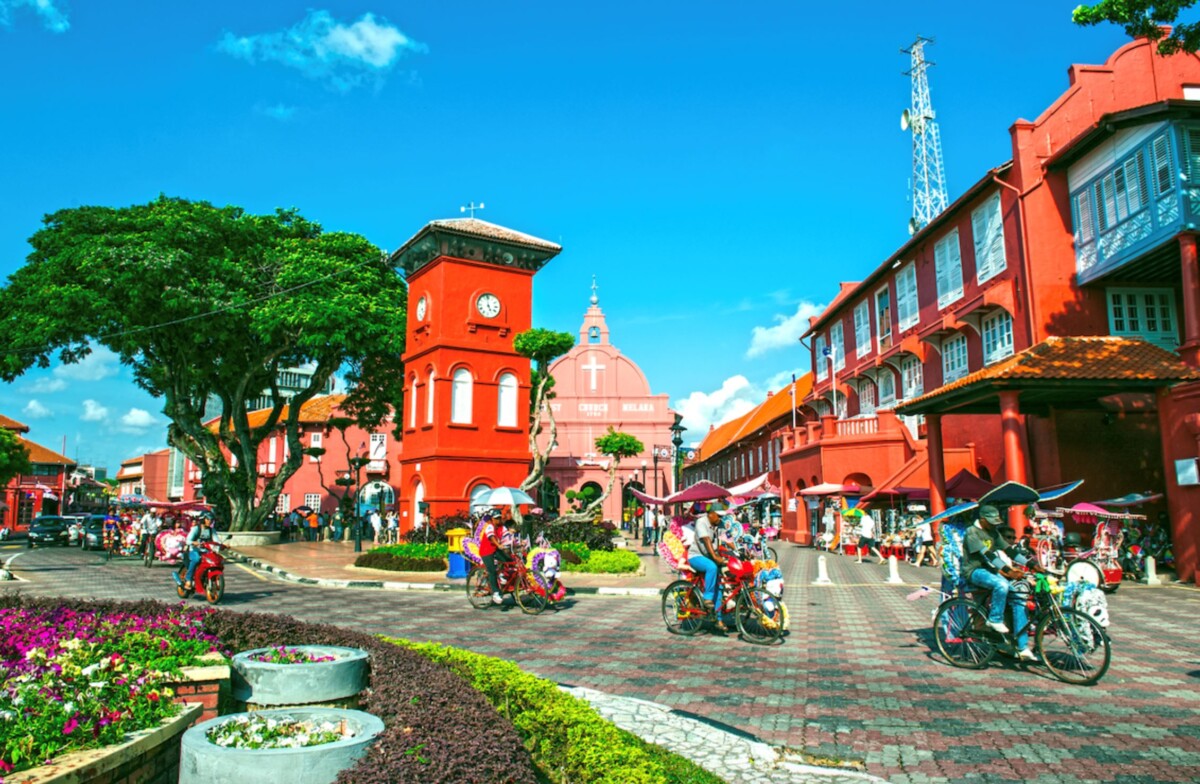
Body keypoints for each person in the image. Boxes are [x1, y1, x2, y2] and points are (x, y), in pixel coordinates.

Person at [963, 505, 1036, 662]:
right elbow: (987, 555)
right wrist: (1008, 571)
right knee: (1001, 585)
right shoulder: (972, 532)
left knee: (1018, 599)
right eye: (991, 522)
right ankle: (995, 619)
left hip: (991, 571)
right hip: (975, 571)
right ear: (983, 520)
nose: (995, 525)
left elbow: (1010, 551)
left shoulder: (993, 533)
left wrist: (1031, 564)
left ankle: (1022, 647)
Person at [687, 502, 731, 620]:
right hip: (696, 556)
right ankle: (707, 597)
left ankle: (718, 619)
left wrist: (738, 550)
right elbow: (706, 540)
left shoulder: (719, 524)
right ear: (710, 514)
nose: (720, 518)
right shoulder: (701, 522)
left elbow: (728, 538)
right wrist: (716, 557)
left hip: (710, 557)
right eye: (719, 515)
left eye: (722, 516)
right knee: (712, 567)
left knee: (720, 587)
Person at [478, 512, 512, 605]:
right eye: (496, 518)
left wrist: (517, 543)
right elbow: (491, 537)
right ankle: (495, 593)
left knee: (508, 560)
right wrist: (499, 545)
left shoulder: (502, 527)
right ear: (492, 519)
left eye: (499, 518)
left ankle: (501, 575)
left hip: (495, 549)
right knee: (492, 570)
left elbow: (508, 537)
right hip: (486, 551)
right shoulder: (490, 526)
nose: (498, 520)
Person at [182, 517, 218, 590]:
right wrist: (193, 542)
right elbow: (188, 540)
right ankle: (188, 578)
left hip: (206, 551)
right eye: (208, 519)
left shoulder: (212, 530)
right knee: (196, 559)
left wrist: (223, 545)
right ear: (203, 520)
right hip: (194, 550)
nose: (209, 521)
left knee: (214, 560)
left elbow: (217, 541)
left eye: (211, 520)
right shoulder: (196, 529)